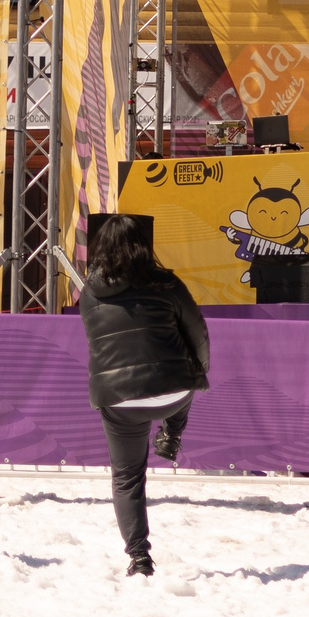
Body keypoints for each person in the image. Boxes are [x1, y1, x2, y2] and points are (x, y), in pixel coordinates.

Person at [78, 212, 212, 577]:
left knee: (127, 477)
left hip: (120, 400)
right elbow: (197, 332)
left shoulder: (89, 294)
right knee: (178, 376)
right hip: (174, 392)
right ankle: (172, 434)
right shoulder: (166, 284)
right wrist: (200, 373)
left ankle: (139, 557)